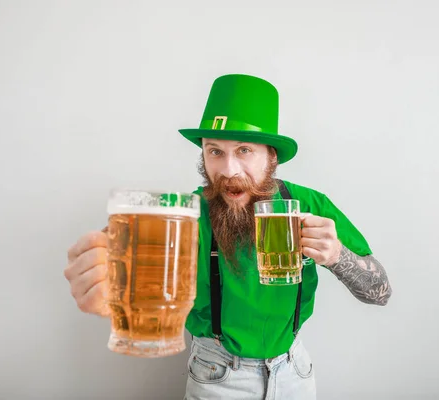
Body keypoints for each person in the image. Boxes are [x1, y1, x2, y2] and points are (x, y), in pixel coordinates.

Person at [64, 74, 392, 399]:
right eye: (215, 151)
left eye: (244, 150)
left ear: (271, 157)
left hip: (295, 372)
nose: (229, 171)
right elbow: (135, 266)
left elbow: (380, 293)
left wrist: (337, 256)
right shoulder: (185, 216)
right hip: (217, 376)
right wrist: (104, 280)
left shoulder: (310, 205)